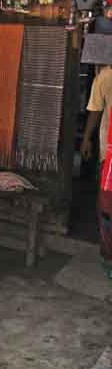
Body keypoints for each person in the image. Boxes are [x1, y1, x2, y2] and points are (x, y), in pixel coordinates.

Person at [81, 65, 112, 267]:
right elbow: (95, 110)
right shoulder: (106, 76)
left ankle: (108, 256)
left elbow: (94, 111)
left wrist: (86, 139)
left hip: (108, 155)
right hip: (108, 155)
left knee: (107, 208)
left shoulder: (106, 75)